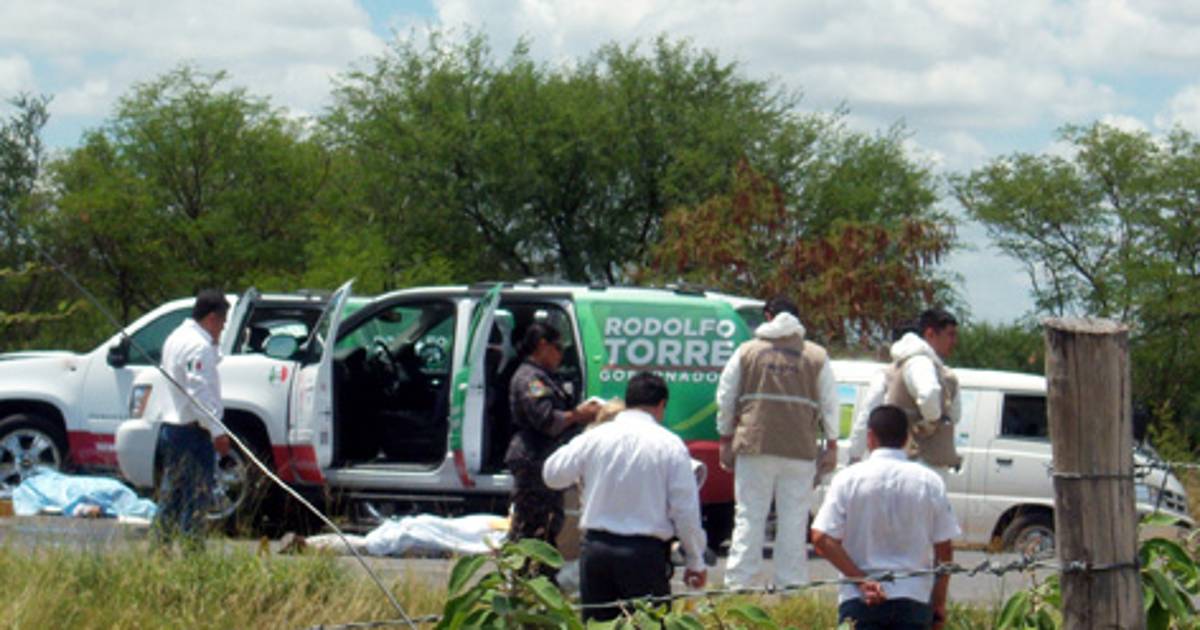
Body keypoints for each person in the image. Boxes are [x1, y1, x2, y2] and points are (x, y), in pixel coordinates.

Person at [543, 371, 707, 623]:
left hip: (596, 550)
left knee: (598, 626)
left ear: (628, 401)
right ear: (661, 405)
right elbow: (685, 511)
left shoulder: (595, 437)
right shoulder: (670, 445)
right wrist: (695, 560)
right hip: (644, 555)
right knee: (648, 625)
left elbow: (552, 475)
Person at [715, 296, 838, 590]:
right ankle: (791, 585)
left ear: (768, 316)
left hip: (754, 445)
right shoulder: (816, 356)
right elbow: (830, 404)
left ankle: (740, 584)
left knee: (749, 516)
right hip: (799, 450)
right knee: (794, 520)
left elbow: (725, 397)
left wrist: (725, 437)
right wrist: (832, 445)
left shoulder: (746, 352)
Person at [811, 405, 961, 629]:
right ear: (907, 438)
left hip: (860, 601)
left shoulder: (848, 479)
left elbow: (821, 538)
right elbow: (944, 550)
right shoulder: (929, 482)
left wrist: (861, 580)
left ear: (870, 437)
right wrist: (938, 603)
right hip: (913, 600)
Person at [504, 323, 599, 555]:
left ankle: (537, 569)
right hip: (532, 457)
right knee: (533, 524)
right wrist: (578, 415)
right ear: (542, 345)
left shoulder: (546, 377)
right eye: (558, 348)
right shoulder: (531, 380)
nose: (561, 354)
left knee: (549, 522)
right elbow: (545, 420)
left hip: (545, 457)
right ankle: (526, 570)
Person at [151, 289, 233, 549]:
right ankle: (192, 550)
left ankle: (160, 546)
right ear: (212, 318)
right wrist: (217, 431)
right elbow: (199, 393)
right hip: (192, 430)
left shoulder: (177, 337)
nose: (222, 329)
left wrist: (214, 344)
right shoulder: (198, 346)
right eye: (222, 322)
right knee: (197, 495)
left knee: (172, 493)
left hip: (172, 427)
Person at [849, 308, 962, 479]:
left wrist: (855, 454)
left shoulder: (899, 369)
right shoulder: (928, 367)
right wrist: (932, 420)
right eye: (950, 335)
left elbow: (867, 413)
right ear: (930, 334)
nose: (954, 342)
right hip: (921, 465)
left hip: (906, 463)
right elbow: (949, 411)